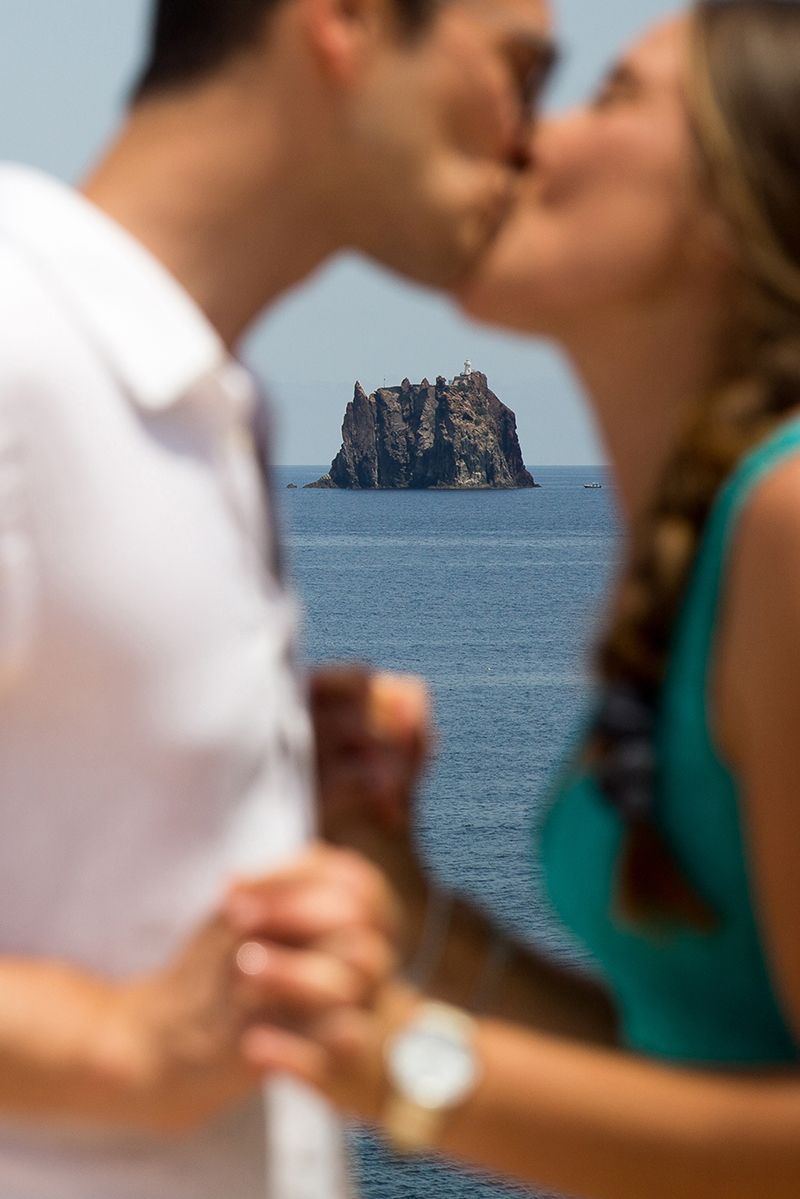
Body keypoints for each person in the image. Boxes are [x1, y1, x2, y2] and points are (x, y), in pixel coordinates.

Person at [234, 3, 800, 1197]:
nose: (527, 138)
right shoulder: (711, 543)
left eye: (609, 99)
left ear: (741, 188)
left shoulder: (789, 521)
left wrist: (384, 1063)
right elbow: (685, 1067)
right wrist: (412, 909)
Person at [0, 0, 556, 1196]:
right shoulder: (17, 341)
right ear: (346, 21)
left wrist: (259, 780)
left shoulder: (202, 399)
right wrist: (115, 1044)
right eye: (522, 67)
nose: (535, 140)